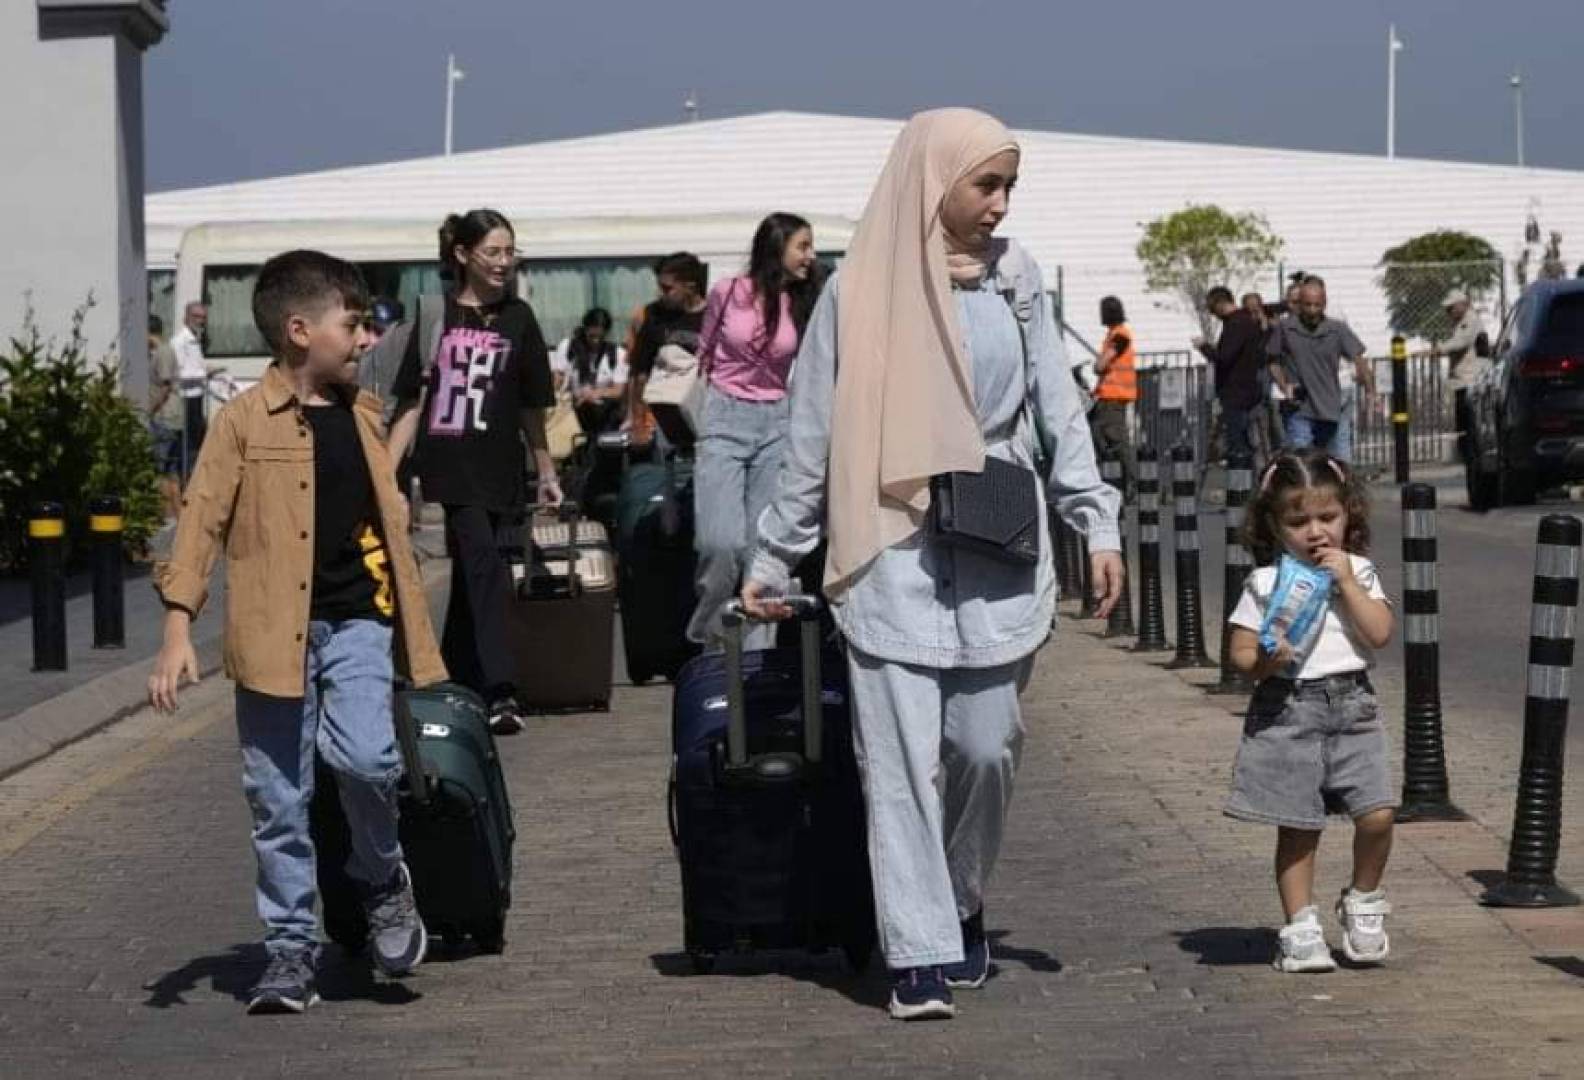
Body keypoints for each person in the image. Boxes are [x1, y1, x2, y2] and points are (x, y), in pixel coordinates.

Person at [740, 109, 1123, 1021]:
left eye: (1008, 188)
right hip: (890, 542)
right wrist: (773, 557)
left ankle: (958, 897)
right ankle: (916, 949)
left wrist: (1094, 524)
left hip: (994, 533)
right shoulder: (857, 289)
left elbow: (1057, 409)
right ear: (932, 180)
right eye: (984, 185)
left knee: (987, 746)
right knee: (901, 761)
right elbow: (812, 438)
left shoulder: (1017, 280)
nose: (998, 205)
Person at [147, 250, 446, 1014]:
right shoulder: (243, 422)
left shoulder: (364, 412)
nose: (363, 338)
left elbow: (423, 342)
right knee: (277, 798)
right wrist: (178, 631)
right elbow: (201, 518)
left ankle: (382, 880)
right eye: (352, 325)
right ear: (299, 330)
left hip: (357, 623)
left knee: (369, 760)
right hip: (270, 634)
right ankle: (289, 950)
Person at [387, 209, 562, 736]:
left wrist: (545, 466)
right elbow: (413, 403)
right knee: (484, 566)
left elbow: (533, 404)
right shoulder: (436, 316)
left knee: (472, 577)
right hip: (451, 467)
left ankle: (449, 678)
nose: (504, 263)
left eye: (511, 252)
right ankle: (501, 691)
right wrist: (384, 476)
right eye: (493, 252)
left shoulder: (520, 318)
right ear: (463, 255)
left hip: (501, 468)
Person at [1225, 449, 1396, 973]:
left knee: (1379, 811)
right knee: (1299, 826)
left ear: (1349, 517)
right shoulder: (1266, 583)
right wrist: (1265, 662)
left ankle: (1364, 898)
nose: (1316, 532)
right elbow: (1240, 654)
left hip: (1353, 705)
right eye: (1299, 522)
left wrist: (1346, 584)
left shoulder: (1360, 572)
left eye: (1328, 518)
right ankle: (1300, 926)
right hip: (1289, 708)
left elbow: (1380, 633)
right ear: (1275, 527)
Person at [687, 213, 820, 651]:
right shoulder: (727, 292)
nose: (811, 256)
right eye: (803, 246)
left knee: (762, 551)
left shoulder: (804, 300)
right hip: (724, 418)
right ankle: (711, 640)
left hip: (777, 422)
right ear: (777, 246)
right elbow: (705, 352)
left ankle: (755, 658)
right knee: (719, 544)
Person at [1268, 278, 1374, 460]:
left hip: (1330, 405)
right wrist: (1284, 385)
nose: (1312, 311)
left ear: (1324, 305)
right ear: (1299, 304)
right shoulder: (1285, 329)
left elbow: (1359, 359)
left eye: (1317, 305)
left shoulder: (1336, 329)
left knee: (1337, 460)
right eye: (1307, 305)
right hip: (1299, 407)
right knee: (1302, 459)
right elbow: (1272, 360)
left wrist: (1371, 391)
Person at [627, 252, 710, 449]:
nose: (661, 294)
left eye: (667, 289)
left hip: (706, 415)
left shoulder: (714, 315)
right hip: (665, 418)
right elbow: (640, 372)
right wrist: (638, 423)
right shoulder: (654, 315)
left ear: (690, 286)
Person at [1196, 286, 1266, 464]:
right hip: (1248, 389)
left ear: (1220, 304)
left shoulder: (1236, 324)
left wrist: (1204, 347)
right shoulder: (1246, 321)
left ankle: (1241, 483)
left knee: (1238, 443)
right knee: (1247, 440)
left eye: (1213, 310)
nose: (1214, 315)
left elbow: (1224, 357)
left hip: (1237, 392)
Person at [552, 307, 629, 436]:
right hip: (573, 411)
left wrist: (595, 393)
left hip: (604, 413)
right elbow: (558, 377)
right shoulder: (569, 348)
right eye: (592, 336)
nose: (595, 341)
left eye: (600, 337)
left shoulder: (617, 354)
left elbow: (619, 390)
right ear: (585, 329)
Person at [1090, 295, 1137, 491]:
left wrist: (1098, 364)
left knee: (1117, 440)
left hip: (1114, 398)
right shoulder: (1112, 335)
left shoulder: (1120, 335)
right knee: (1098, 436)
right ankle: (1115, 481)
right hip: (1105, 397)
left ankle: (1133, 482)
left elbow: (1102, 364)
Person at [170, 301, 220, 464]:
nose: (200, 321)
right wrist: (204, 373)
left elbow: (195, 365)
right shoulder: (180, 342)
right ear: (186, 317)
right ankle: (184, 473)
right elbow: (178, 373)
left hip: (197, 395)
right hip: (185, 397)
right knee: (189, 440)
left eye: (203, 317)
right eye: (196, 316)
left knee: (197, 437)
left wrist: (207, 368)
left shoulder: (194, 339)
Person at [146, 315, 185, 514]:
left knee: (159, 472)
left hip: (164, 418)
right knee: (171, 472)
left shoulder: (162, 353)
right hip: (172, 418)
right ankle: (179, 520)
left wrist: (149, 410)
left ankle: (165, 517)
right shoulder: (164, 351)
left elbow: (165, 386)